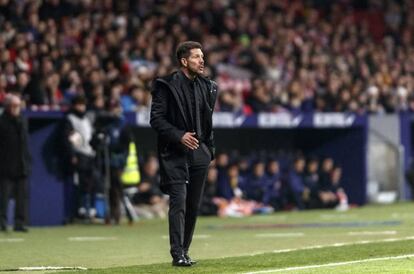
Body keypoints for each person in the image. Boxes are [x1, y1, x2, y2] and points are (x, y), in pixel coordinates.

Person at [150, 41, 218, 267]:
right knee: (178, 203)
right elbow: (156, 119)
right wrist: (179, 135)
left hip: (199, 152)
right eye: (197, 57)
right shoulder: (165, 85)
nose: (202, 60)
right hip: (176, 152)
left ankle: (185, 250)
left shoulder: (207, 86)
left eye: (202, 56)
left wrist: (208, 150)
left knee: (193, 205)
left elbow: (208, 122)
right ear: (184, 61)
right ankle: (177, 253)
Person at [0, 94, 31, 232]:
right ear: (7, 107)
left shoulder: (22, 121)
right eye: (13, 106)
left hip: (21, 164)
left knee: (22, 198)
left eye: (18, 106)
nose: (15, 109)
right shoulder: (2, 122)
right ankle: (2, 223)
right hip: (5, 165)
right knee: (3, 197)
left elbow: (25, 143)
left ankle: (20, 223)